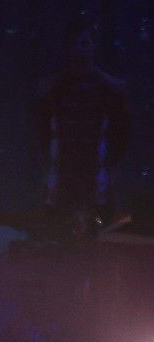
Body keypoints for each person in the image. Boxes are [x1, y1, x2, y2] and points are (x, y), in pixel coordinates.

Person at [33, 20, 129, 236]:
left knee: (97, 230)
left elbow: (122, 130)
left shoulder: (109, 88)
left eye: (84, 43)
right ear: (66, 48)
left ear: (93, 46)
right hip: (63, 173)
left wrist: (109, 159)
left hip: (96, 173)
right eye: (74, 44)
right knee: (59, 232)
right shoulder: (54, 87)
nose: (79, 50)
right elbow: (42, 129)